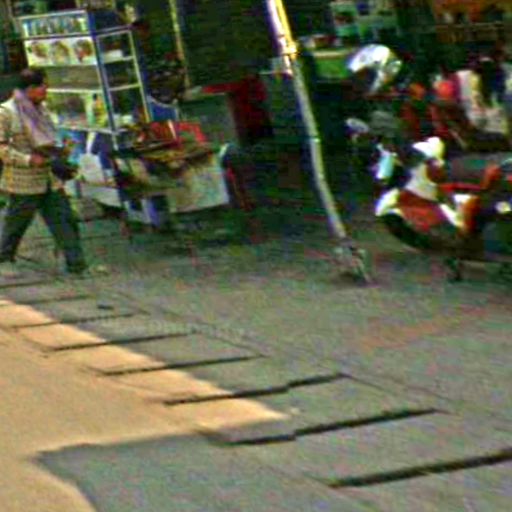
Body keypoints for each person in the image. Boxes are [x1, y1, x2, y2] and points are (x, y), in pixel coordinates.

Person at [0, 67, 87, 277]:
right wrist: (28, 159)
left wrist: (61, 151)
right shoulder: (7, 112)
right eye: (43, 88)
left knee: (64, 219)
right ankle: (4, 258)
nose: (46, 92)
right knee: (17, 222)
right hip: (24, 180)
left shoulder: (41, 110)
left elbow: (49, 138)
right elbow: (2, 148)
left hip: (49, 177)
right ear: (30, 88)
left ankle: (76, 265)